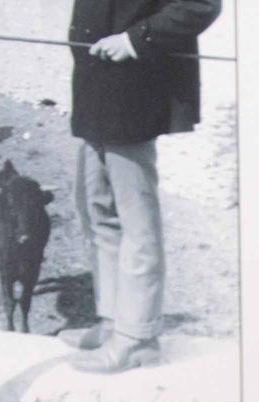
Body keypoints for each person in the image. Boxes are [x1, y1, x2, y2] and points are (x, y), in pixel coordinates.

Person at [62, 0, 222, 374]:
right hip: (95, 88)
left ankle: (138, 339)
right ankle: (113, 321)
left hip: (135, 89)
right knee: (97, 208)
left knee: (137, 222)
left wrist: (135, 40)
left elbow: (201, 5)